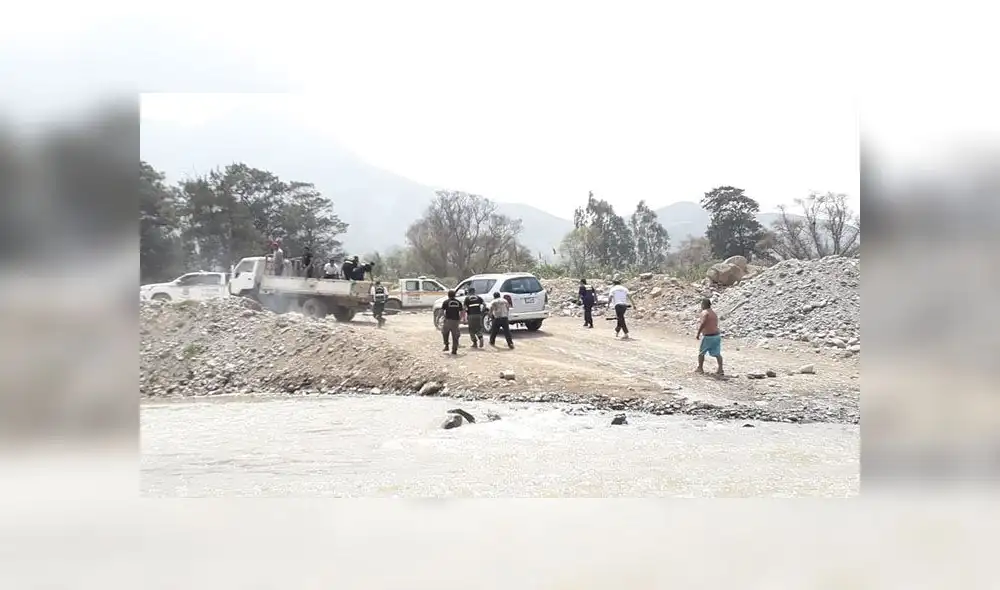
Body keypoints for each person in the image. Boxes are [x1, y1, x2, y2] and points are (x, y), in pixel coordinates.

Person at [696, 298, 724, 376]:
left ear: (703, 304)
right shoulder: (713, 313)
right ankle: (720, 369)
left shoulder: (705, 312)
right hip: (716, 335)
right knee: (717, 354)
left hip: (708, 336)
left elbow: (703, 323)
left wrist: (698, 333)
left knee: (701, 353)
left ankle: (700, 368)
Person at [441, 290, 464, 355]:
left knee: (444, 332)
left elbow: (442, 311)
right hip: (456, 321)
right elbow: (462, 311)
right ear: (455, 295)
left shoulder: (446, 302)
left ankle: (446, 345)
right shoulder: (458, 302)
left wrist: (443, 317)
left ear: (448, 295)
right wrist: (460, 318)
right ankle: (454, 350)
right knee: (455, 335)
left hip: (448, 320)